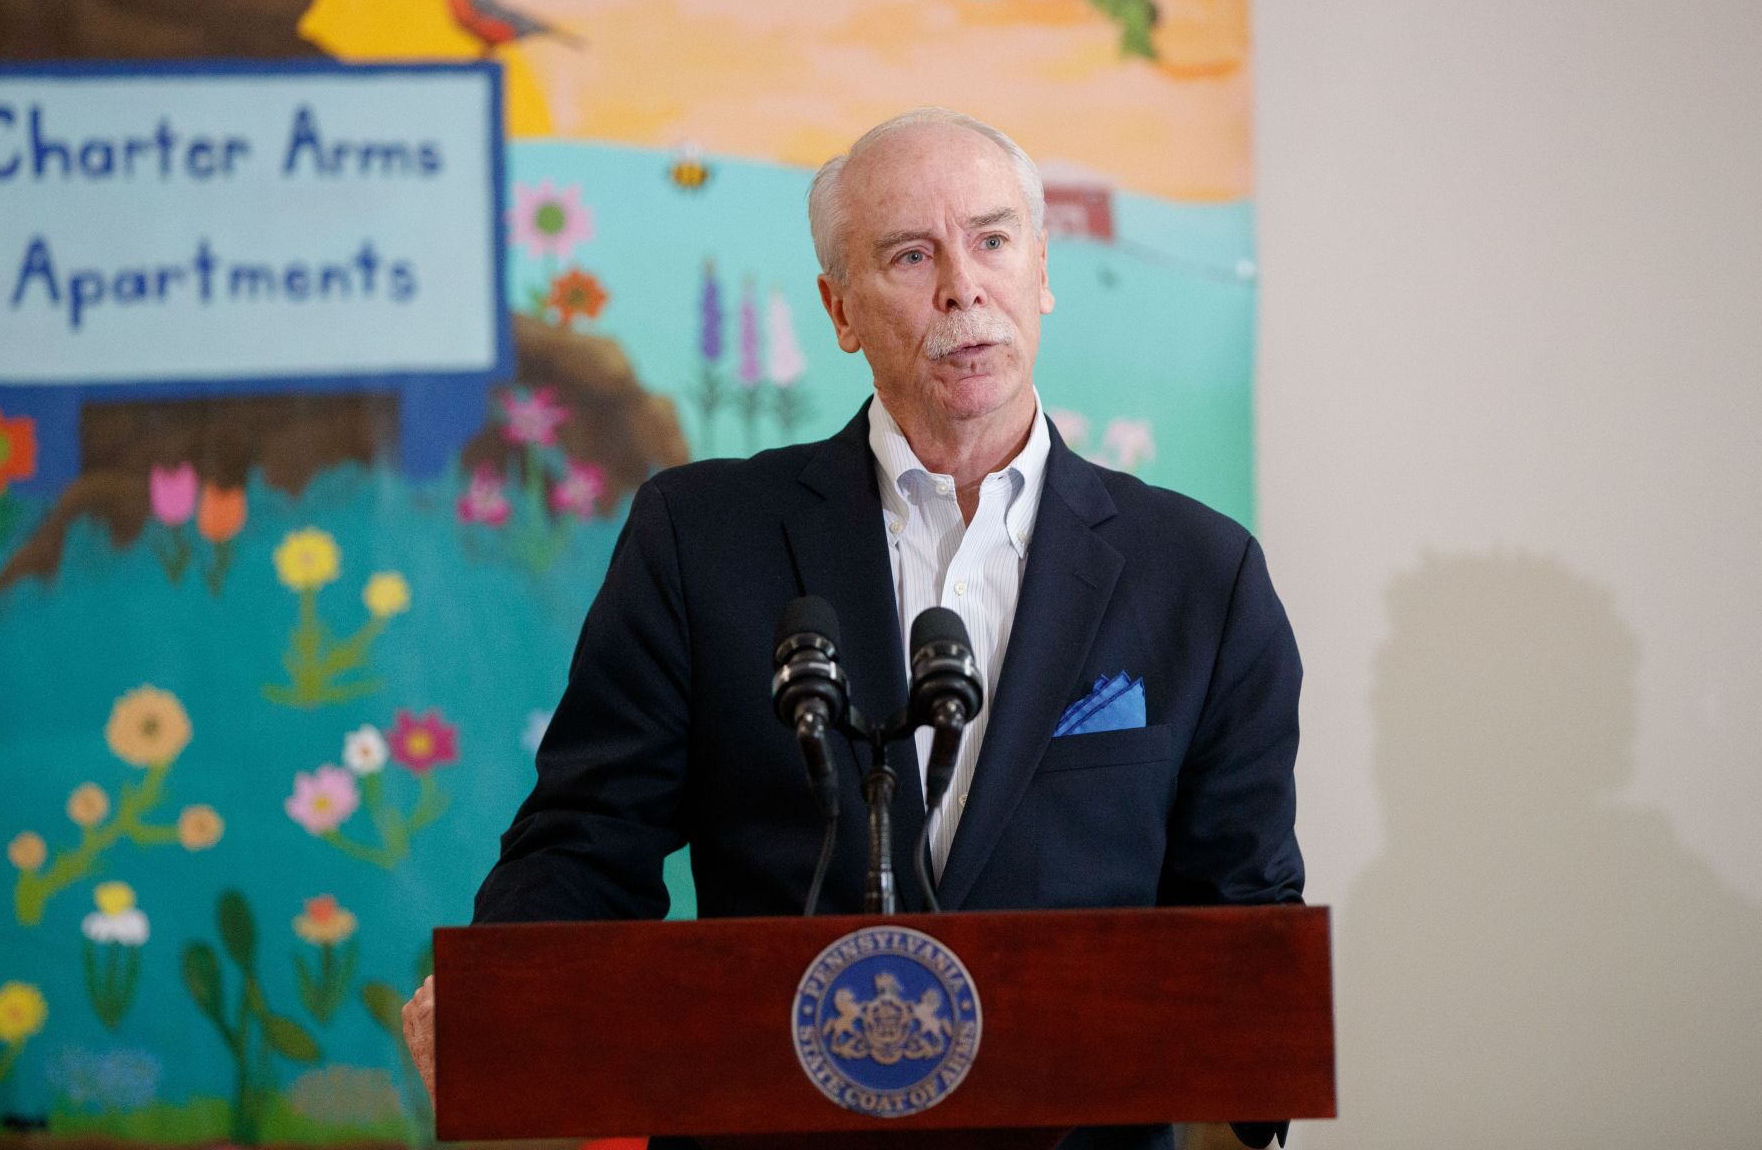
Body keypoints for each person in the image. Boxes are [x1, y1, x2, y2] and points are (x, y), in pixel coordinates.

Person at [403, 109, 1303, 1150]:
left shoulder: (1203, 575)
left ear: (1042, 272)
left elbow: (1245, 912)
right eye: (911, 255)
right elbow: (589, 836)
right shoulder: (701, 539)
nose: (963, 287)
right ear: (839, 309)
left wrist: (1265, 1062)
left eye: (992, 240)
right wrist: (504, 987)